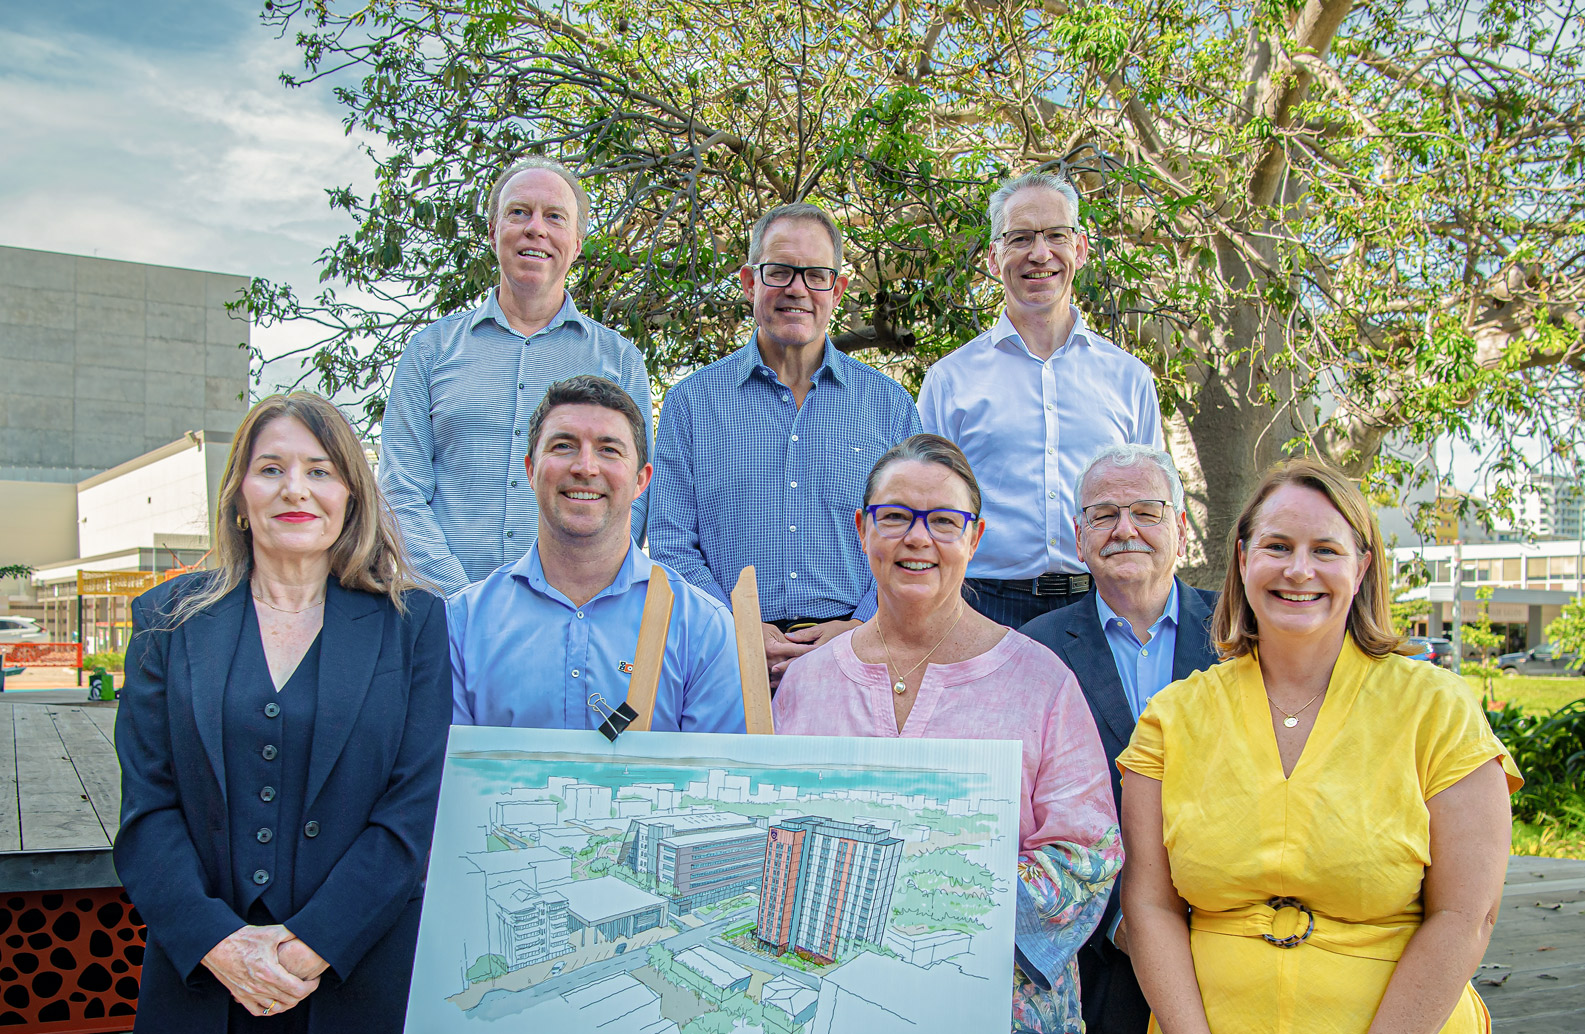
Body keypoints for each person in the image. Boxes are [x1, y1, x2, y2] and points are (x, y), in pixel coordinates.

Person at [1114, 458, 1519, 1034]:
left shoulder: (1435, 709)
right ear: (1240, 558)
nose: (1299, 571)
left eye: (1326, 550)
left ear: (1363, 565)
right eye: (1277, 546)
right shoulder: (1174, 719)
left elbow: (1464, 914)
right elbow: (1149, 908)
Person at [114, 391, 449, 1034]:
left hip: (361, 995)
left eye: (319, 469)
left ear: (350, 494)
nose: (294, 488)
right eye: (270, 468)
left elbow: (412, 816)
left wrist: (310, 947)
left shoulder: (413, 625)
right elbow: (146, 815)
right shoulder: (166, 621)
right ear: (238, 494)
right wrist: (220, 943)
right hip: (202, 994)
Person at [773, 434, 1122, 1034]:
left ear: (975, 534)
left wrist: (920, 899)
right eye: (895, 516)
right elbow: (776, 840)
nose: (916, 538)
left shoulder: (1039, 681)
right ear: (863, 530)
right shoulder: (811, 684)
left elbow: (1085, 856)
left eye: (941, 519)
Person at [441, 374, 746, 1034]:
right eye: (565, 447)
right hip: (502, 952)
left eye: (609, 450)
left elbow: (720, 795)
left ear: (643, 477)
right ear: (530, 466)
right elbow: (450, 801)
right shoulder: (463, 624)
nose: (586, 468)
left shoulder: (698, 626)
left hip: (642, 961)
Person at [1019, 441, 1218, 1034]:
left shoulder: (1241, 632)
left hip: (1226, 951)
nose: (1125, 528)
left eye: (1145, 511)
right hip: (1101, 959)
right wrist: (1117, 917)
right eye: (1104, 514)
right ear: (1077, 534)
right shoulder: (1032, 649)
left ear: (1182, 528)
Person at [649, 202, 921, 684]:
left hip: (860, 657)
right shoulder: (690, 404)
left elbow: (909, 541)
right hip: (722, 661)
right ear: (750, 282)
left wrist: (860, 626)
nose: (797, 289)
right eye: (780, 272)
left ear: (836, 290)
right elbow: (672, 545)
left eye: (816, 274)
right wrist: (736, 628)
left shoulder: (890, 407)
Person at [378, 155, 654, 594]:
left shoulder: (619, 362)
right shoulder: (429, 351)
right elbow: (399, 490)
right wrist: (461, 598)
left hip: (571, 612)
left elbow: (629, 500)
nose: (536, 229)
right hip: (440, 613)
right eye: (519, 212)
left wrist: (575, 593)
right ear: (493, 232)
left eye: (555, 217)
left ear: (577, 242)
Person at [918, 171, 1163, 629]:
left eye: (1056, 236)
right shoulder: (950, 380)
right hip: (983, 607)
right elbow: (929, 512)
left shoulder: (1129, 378)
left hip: (1102, 605)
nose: (1040, 253)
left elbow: (1155, 508)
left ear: (1081, 249)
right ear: (994, 257)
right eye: (1021, 238)